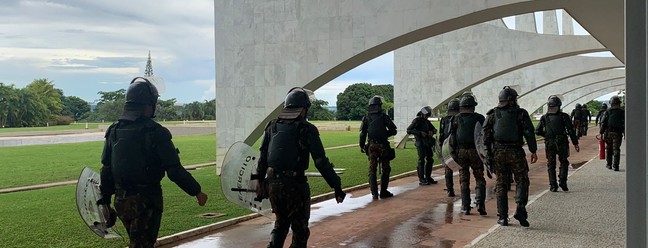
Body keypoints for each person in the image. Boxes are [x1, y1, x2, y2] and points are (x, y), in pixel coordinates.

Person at [97, 77, 208, 248]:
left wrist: (105, 200)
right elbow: (174, 170)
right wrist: (197, 191)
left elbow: (107, 169)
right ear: (148, 104)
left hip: (121, 201)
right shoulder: (156, 132)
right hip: (146, 201)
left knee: (138, 243)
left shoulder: (114, 130)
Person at [256, 87, 346, 248]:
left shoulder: (272, 126)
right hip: (295, 185)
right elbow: (320, 161)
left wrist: (259, 183)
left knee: (280, 224)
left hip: (273, 185)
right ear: (304, 109)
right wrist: (336, 185)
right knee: (300, 230)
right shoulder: (307, 129)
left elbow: (263, 158)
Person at [483, 86, 538, 227]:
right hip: (516, 151)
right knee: (522, 180)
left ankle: (502, 217)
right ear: (511, 100)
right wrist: (533, 150)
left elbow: (485, 137)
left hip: (498, 152)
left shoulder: (492, 114)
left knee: (501, 184)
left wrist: (488, 156)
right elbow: (529, 132)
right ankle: (520, 206)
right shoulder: (521, 113)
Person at [448, 92, 487, 215]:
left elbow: (451, 137)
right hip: (476, 151)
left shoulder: (455, 119)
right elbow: (485, 136)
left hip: (461, 152)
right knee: (479, 177)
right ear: (473, 106)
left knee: (464, 179)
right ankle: (480, 203)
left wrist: (453, 153)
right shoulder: (480, 118)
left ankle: (465, 206)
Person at [535, 95, 580, 192]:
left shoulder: (544, 117)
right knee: (564, 162)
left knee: (551, 164)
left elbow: (537, 131)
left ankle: (553, 185)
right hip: (562, 142)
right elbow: (571, 130)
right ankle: (563, 181)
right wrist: (575, 143)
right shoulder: (564, 116)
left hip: (549, 143)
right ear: (559, 106)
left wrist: (546, 135)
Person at [360, 95, 398, 199]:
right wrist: (384, 134)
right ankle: (383, 191)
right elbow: (393, 131)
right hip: (383, 146)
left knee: (372, 169)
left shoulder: (366, 117)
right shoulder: (384, 117)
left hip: (371, 146)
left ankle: (374, 193)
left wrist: (362, 146)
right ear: (379, 105)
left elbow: (363, 134)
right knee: (386, 168)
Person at [407, 105, 439, 186]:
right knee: (421, 160)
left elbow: (434, 129)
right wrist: (420, 133)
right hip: (420, 142)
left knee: (430, 159)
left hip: (427, 143)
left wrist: (432, 131)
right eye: (426, 115)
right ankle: (421, 178)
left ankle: (428, 177)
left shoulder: (427, 121)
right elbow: (409, 130)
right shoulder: (417, 121)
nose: (427, 116)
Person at [438, 98, 460, 196]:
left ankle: (450, 189)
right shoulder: (460, 117)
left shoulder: (444, 119)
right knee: (463, 170)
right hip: (459, 146)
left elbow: (441, 134)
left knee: (448, 168)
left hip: (447, 146)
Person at [599, 96, 625, 171]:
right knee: (616, 149)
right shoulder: (622, 112)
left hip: (609, 133)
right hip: (618, 133)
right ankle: (616, 166)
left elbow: (603, 122)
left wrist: (601, 132)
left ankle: (609, 164)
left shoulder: (607, 111)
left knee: (609, 149)